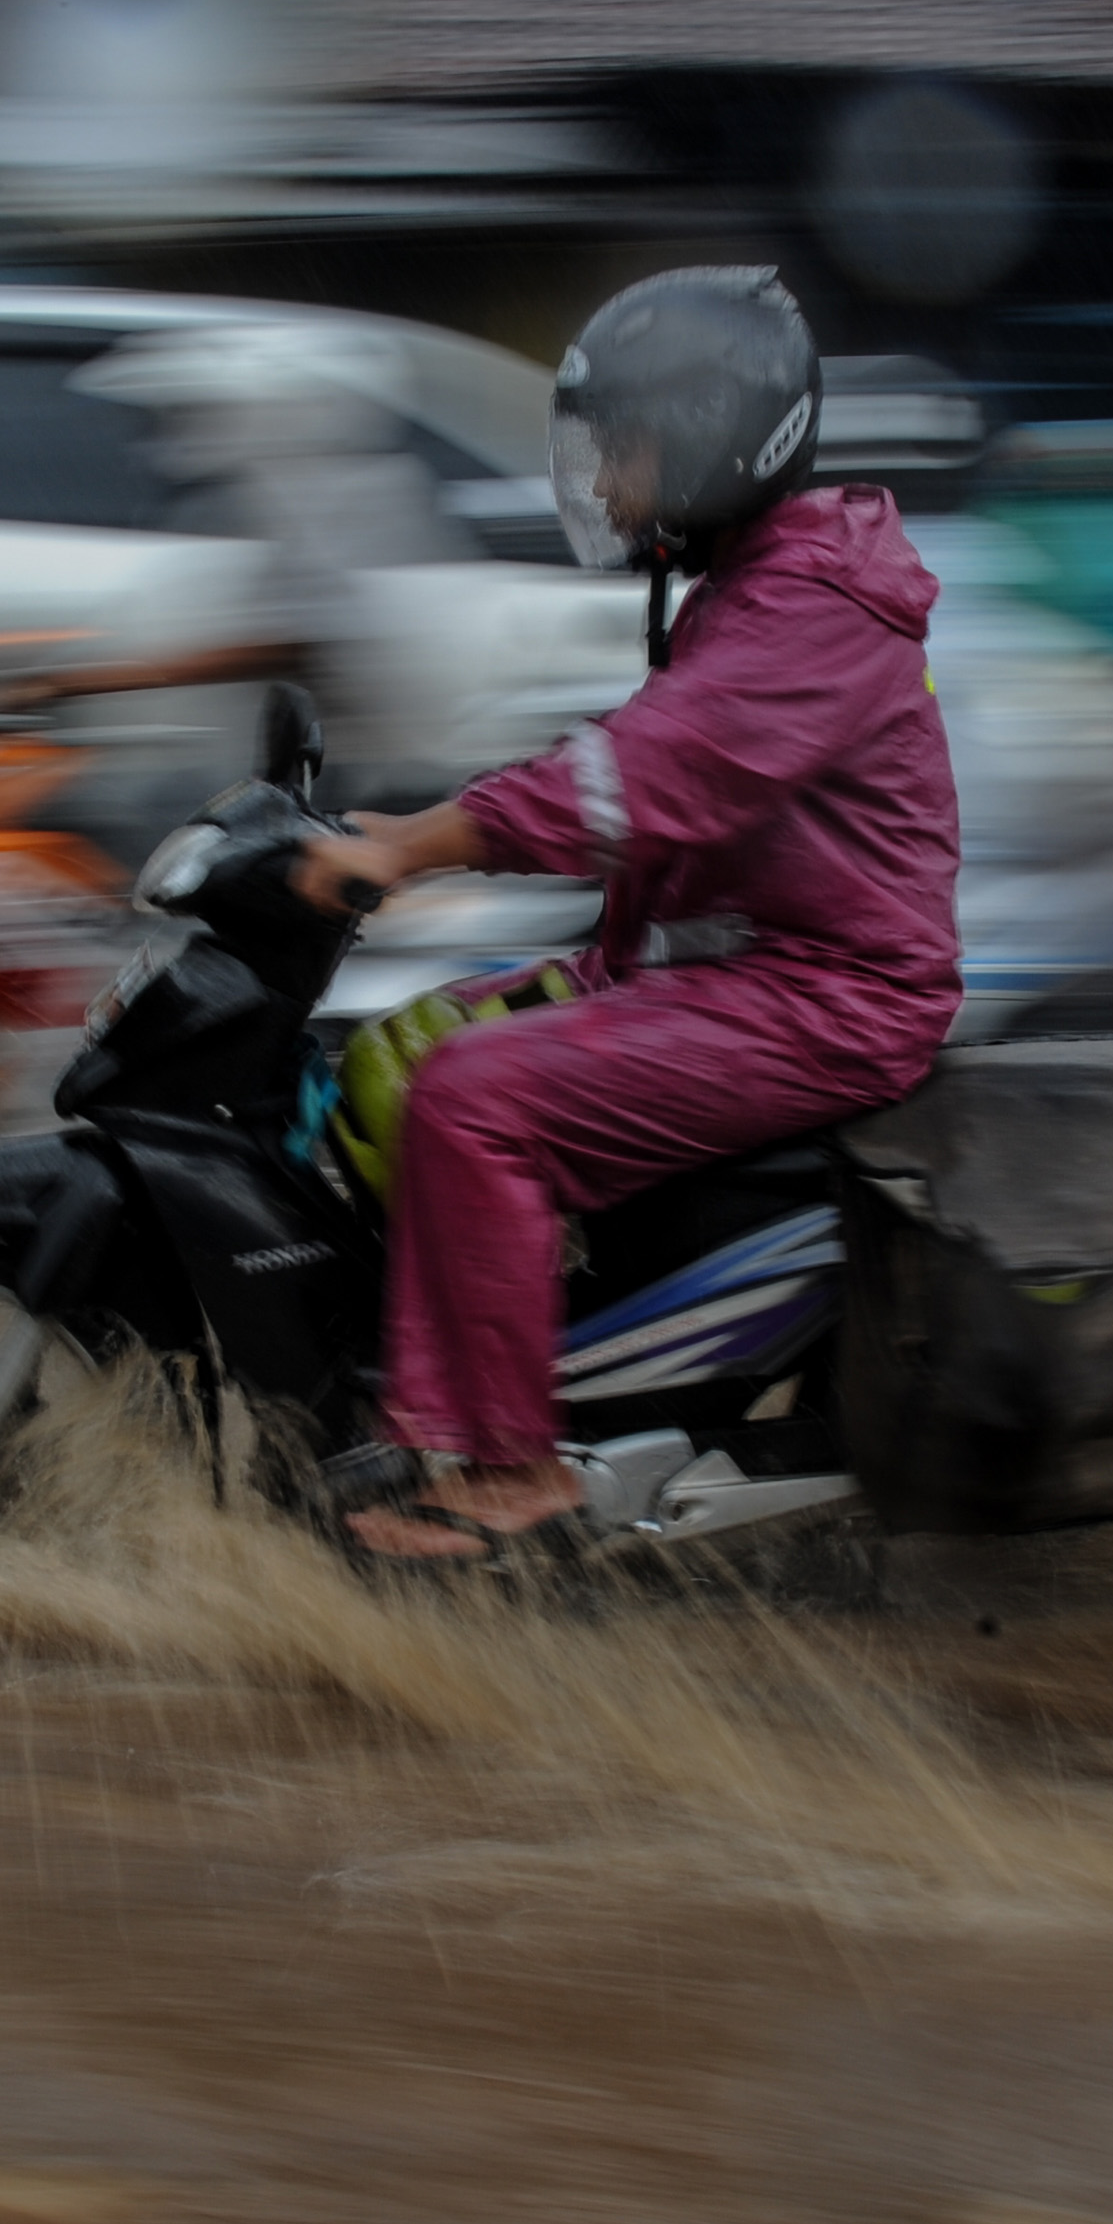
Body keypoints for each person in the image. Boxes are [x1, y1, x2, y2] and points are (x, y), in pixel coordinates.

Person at [293, 269, 965, 1558]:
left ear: (719, 440)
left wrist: (423, 846)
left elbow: (644, 780)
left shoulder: (812, 606)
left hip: (828, 995)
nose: (603, 483)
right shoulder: (762, 574)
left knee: (477, 1099)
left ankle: (511, 1471)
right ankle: (452, 1368)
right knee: (386, 1058)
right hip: (728, 966)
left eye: (628, 450)